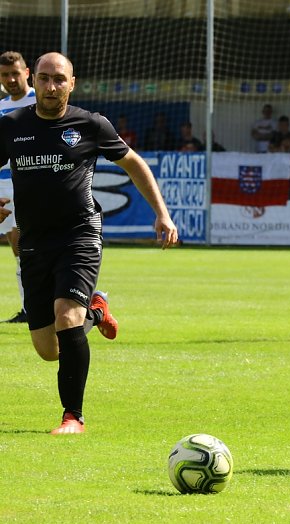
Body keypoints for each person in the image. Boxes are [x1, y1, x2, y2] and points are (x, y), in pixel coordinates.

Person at [0, 52, 178, 435]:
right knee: (49, 350)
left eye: (59, 79)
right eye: (45, 78)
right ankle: (97, 311)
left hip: (79, 235)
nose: (51, 87)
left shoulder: (91, 124)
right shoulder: (12, 125)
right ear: (36, 80)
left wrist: (162, 214)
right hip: (33, 242)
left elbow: (134, 163)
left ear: (72, 83)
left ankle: (73, 417)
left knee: (67, 317)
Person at [0, 51, 35, 324]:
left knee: (27, 244)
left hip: (30, 183)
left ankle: (33, 307)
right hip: (4, 185)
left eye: (15, 73)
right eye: (5, 75)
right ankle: (29, 307)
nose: (11, 79)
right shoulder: (1, 107)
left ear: (27, 73)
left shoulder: (39, 100)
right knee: (17, 247)